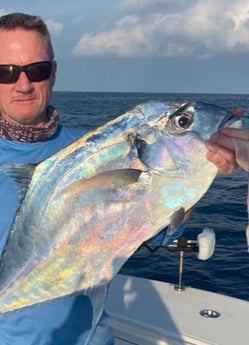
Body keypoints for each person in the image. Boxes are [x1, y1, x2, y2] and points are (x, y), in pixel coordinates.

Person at [0, 12, 114, 345]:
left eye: (37, 70)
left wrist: (194, 172)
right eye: (6, 73)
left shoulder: (95, 151)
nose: (23, 85)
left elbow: (157, 228)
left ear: (54, 72)